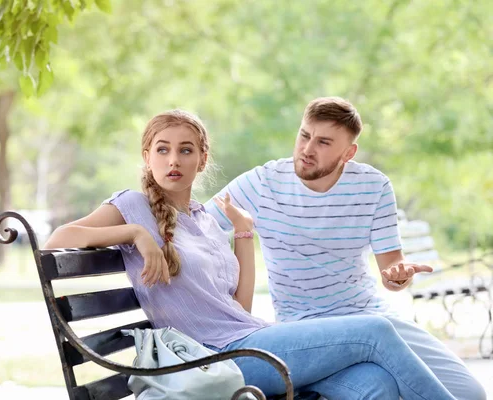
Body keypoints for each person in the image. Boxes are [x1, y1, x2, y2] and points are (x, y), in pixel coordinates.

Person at [43, 109, 456, 399]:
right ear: (146, 157)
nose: (174, 160)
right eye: (162, 149)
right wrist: (135, 233)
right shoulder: (133, 206)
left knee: (374, 384)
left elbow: (238, 307)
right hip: (216, 360)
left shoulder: (204, 218)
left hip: (246, 341)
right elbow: (56, 238)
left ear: (203, 160)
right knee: (376, 331)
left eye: (186, 150)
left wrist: (243, 234)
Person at [205, 97, 486, 400]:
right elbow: (196, 226)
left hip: (372, 317)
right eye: (304, 135)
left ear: (348, 153)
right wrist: (145, 234)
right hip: (307, 329)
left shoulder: (373, 186)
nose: (307, 149)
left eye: (324, 142)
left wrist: (398, 275)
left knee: (470, 392)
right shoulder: (262, 183)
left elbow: (391, 269)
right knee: (380, 388)